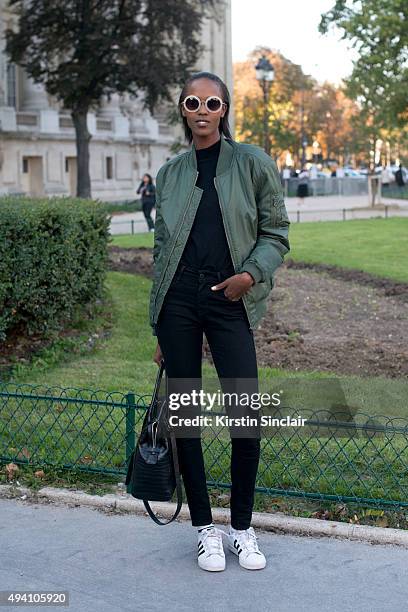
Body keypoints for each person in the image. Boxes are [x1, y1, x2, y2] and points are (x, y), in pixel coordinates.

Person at [149, 71, 290, 573]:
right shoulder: (169, 174)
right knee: (185, 419)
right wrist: (160, 326)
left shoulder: (251, 163)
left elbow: (276, 231)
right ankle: (205, 529)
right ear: (183, 109)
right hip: (180, 303)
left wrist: (249, 276)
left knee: (245, 419)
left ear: (225, 109)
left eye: (213, 102)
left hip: (230, 298)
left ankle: (242, 529)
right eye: (193, 101)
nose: (203, 109)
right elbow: (163, 249)